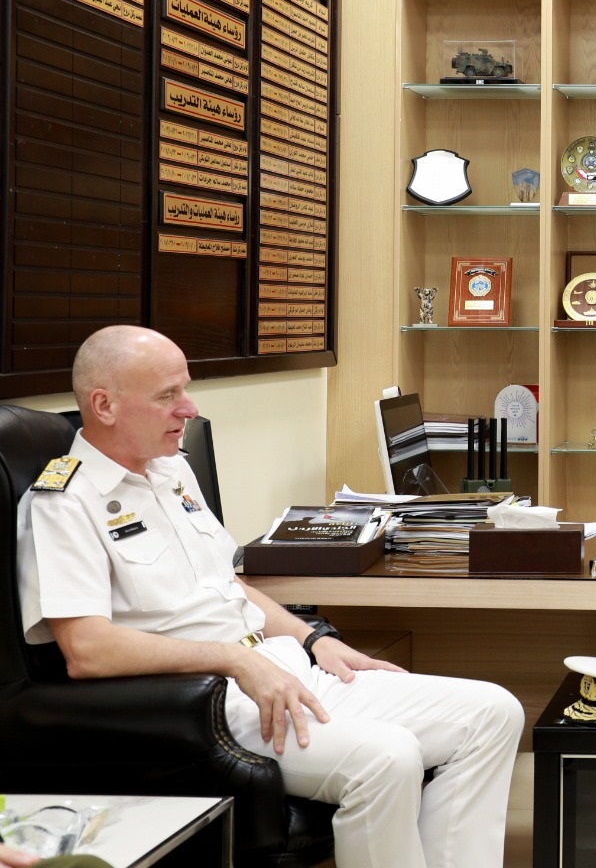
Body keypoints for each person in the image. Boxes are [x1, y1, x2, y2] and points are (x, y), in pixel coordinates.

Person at [16, 326, 524, 868]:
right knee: (388, 757)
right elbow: (87, 650)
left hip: (277, 669)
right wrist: (234, 660)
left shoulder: (171, 470)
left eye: (185, 389)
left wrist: (314, 639)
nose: (188, 408)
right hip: (204, 704)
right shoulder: (63, 504)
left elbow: (225, 584)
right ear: (104, 405)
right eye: (167, 395)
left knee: (493, 712)